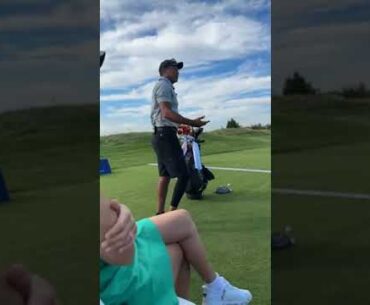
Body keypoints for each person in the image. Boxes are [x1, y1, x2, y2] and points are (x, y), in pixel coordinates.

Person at [100, 197, 252, 305]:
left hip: (112, 258)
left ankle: (216, 288)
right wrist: (117, 222)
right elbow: (122, 256)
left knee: (181, 221)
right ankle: (216, 291)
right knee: (177, 246)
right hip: (116, 283)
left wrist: (120, 212)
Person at [150, 58, 210, 215]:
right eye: (175, 68)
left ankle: (160, 213)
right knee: (183, 175)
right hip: (165, 136)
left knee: (165, 175)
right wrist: (193, 123)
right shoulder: (164, 85)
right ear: (166, 69)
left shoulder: (164, 86)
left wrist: (185, 126)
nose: (178, 72)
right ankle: (171, 213)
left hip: (161, 135)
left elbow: (166, 116)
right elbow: (167, 113)